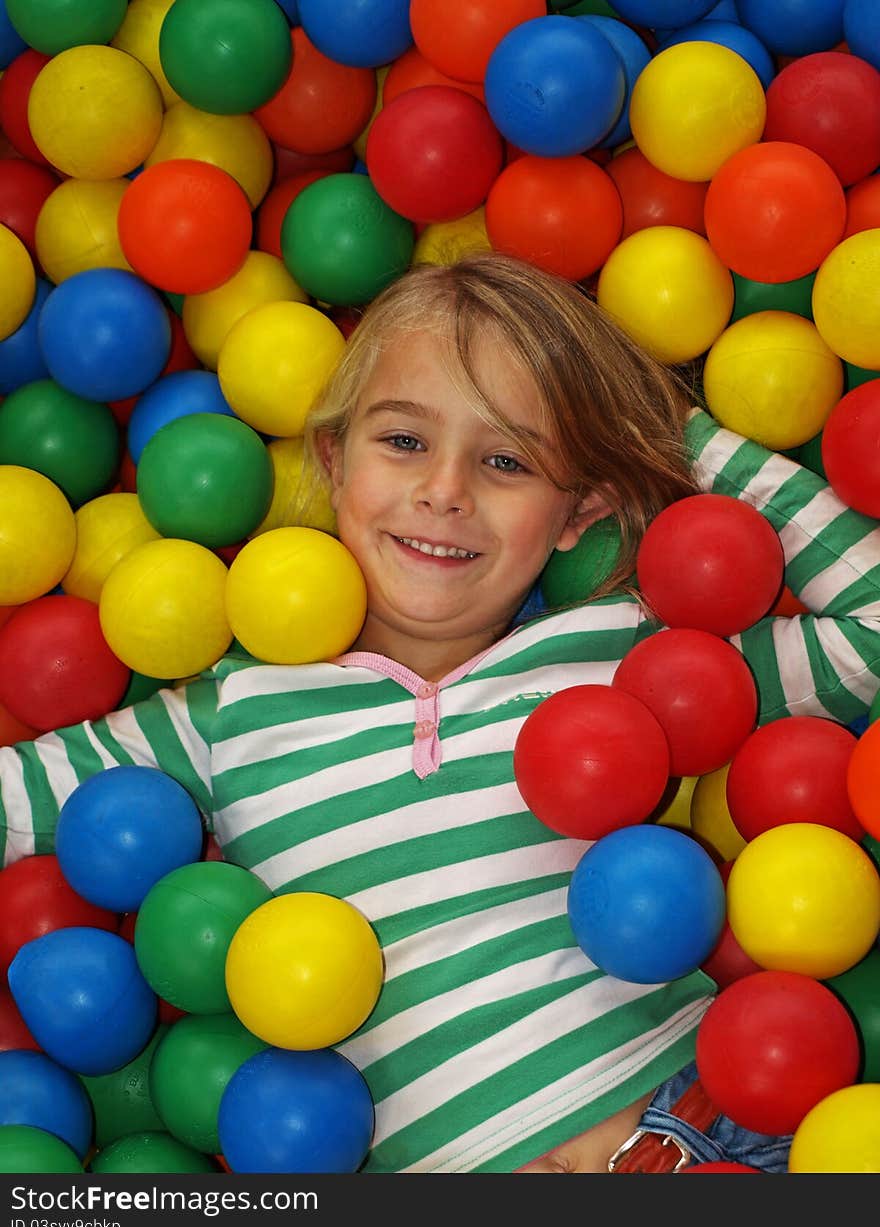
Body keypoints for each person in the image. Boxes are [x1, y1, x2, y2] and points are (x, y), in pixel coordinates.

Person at [1, 253, 879, 1174]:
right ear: (333, 459)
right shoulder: (234, 713)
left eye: (507, 459)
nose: (446, 490)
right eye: (404, 442)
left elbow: (865, 635)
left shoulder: (621, 656)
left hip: (697, 1132)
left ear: (578, 508)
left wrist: (664, 417)